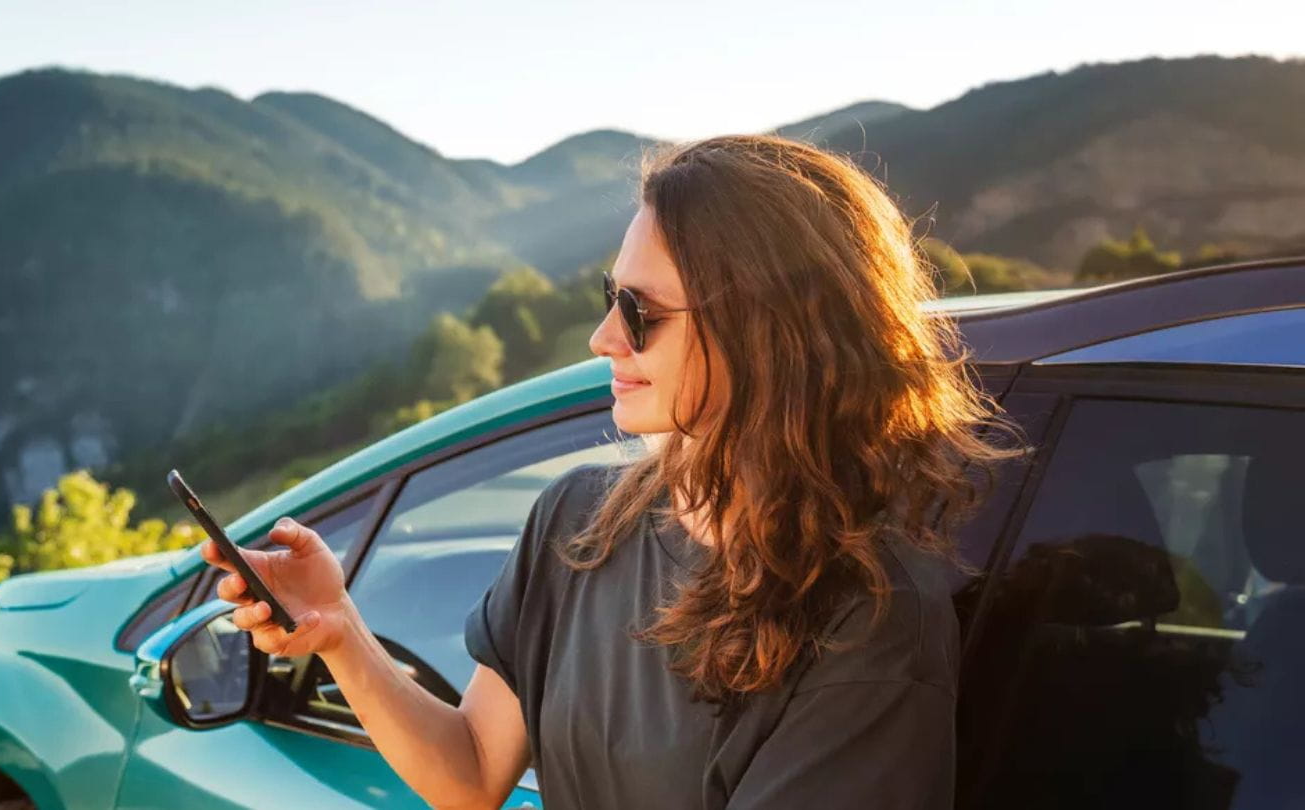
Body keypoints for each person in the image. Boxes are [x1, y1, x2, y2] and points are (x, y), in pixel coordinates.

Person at [201, 133, 1013, 809]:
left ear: (770, 332)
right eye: (609, 297)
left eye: (640, 313)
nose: (601, 338)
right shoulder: (578, 521)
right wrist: (340, 632)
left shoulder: (866, 620)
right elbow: (474, 767)